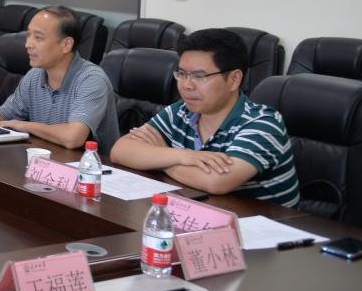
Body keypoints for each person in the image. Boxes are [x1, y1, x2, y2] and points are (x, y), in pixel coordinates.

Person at [110, 28, 299, 206]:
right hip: (200, 214)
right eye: (181, 74)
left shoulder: (263, 123)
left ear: (234, 79)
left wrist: (159, 157)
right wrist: (183, 156)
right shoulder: (181, 111)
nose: (186, 85)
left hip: (263, 225)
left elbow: (216, 182)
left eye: (199, 76)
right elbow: (120, 151)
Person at [0, 5, 119, 154]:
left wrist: (26, 126)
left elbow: (73, 138)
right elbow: (2, 115)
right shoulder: (35, 75)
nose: (28, 44)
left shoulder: (91, 79)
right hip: (47, 161)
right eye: (28, 35)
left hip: (92, 171)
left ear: (66, 45)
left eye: (38, 38)